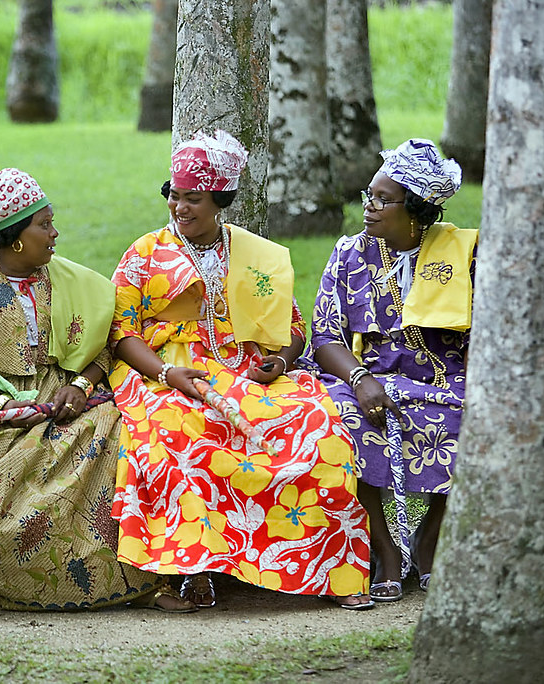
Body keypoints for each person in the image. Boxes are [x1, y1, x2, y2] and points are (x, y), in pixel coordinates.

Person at [0, 168, 195, 613]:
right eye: (44, 225)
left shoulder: (72, 282)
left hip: (62, 398)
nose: (55, 233)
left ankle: (145, 575)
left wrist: (81, 385)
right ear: (14, 238)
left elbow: (106, 345)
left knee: (129, 434)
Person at [109, 130, 372, 610]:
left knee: (318, 427)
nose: (180, 207)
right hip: (167, 373)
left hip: (253, 375)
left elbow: (292, 326)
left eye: (194, 198)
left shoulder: (256, 257)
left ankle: (330, 573)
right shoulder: (144, 254)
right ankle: (194, 570)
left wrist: (284, 361)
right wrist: (168, 375)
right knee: (180, 433)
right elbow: (121, 333)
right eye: (174, 195)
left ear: (220, 200)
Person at [305, 138, 475, 602]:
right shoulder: (348, 254)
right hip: (363, 377)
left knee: (477, 416)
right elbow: (324, 336)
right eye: (369, 196)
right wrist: (360, 379)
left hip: (444, 378)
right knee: (341, 417)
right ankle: (384, 547)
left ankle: (429, 536)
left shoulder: (464, 255)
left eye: (383, 200)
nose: (370, 207)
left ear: (416, 209)